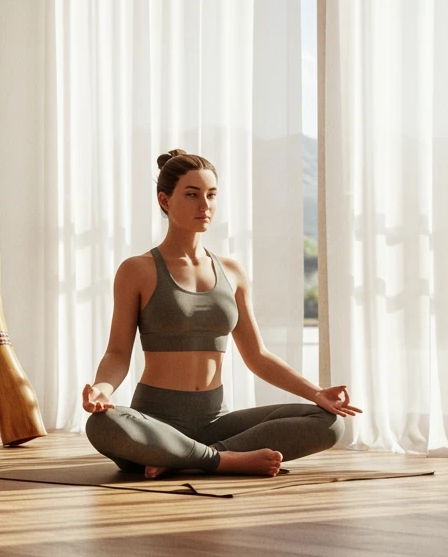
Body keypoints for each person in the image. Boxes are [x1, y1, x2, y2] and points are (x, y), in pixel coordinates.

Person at [83, 150, 361, 479]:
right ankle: (223, 460)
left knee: (329, 423)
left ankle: (191, 458)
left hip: (216, 421)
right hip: (156, 423)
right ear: (165, 199)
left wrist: (316, 393)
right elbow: (117, 353)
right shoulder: (137, 270)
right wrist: (102, 389)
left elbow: (257, 355)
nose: (205, 205)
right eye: (191, 195)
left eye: (211, 195)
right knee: (102, 425)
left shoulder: (231, 271)